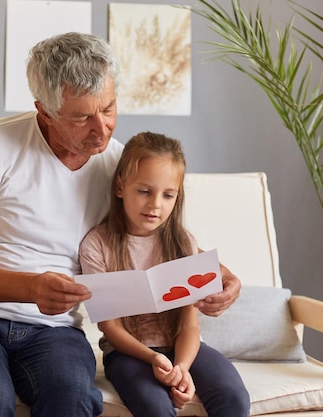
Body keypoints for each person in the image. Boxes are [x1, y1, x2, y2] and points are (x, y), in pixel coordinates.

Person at [0, 32, 241, 417]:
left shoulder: (120, 164)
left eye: (108, 108)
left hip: (55, 330)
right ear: (45, 112)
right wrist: (30, 287)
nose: (102, 129)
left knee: (72, 401)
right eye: (81, 117)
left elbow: (160, 240)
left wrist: (223, 278)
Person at [79, 132, 250, 417]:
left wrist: (181, 367)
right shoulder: (97, 246)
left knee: (233, 396)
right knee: (155, 408)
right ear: (120, 186)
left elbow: (189, 326)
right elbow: (111, 328)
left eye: (168, 195)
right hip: (128, 353)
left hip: (182, 346)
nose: (155, 204)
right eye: (144, 191)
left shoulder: (183, 243)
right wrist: (154, 358)